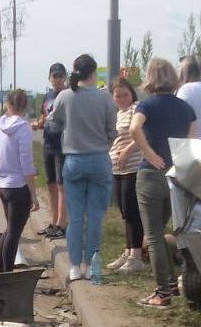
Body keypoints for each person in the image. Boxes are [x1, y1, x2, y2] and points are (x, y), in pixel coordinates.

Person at [130, 57, 196, 308]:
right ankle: (170, 284)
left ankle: (162, 293)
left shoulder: (147, 105)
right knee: (167, 230)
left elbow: (134, 129)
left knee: (154, 235)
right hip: (175, 176)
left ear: (150, 78)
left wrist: (149, 154)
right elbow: (192, 139)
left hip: (150, 174)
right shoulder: (185, 108)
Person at [50, 54, 117, 281]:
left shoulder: (64, 97)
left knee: (76, 217)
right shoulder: (105, 98)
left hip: (74, 161)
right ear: (94, 72)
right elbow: (112, 132)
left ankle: (74, 266)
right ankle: (90, 266)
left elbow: (53, 124)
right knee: (95, 217)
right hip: (99, 159)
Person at [0, 89, 40, 272]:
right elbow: (26, 162)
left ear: (8, 105)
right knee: (14, 232)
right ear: (25, 106)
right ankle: (5, 272)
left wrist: (0, 162)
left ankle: (2, 269)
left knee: (10, 229)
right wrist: (33, 193)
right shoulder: (23, 128)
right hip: (19, 186)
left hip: (2, 184)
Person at [108, 78, 145, 273]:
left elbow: (141, 133)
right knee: (124, 211)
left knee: (132, 212)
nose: (122, 98)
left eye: (125, 94)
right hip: (117, 168)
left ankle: (136, 256)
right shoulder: (118, 114)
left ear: (132, 94)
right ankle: (128, 251)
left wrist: (127, 151)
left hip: (133, 166)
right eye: (117, 95)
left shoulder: (136, 109)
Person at [32, 63, 69, 239]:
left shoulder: (69, 95)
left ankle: (62, 224)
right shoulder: (48, 96)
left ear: (65, 77)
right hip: (48, 141)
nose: (57, 79)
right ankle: (54, 222)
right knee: (51, 184)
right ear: (49, 78)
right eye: (54, 76)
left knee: (62, 185)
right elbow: (44, 117)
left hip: (63, 143)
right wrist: (38, 124)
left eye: (60, 76)